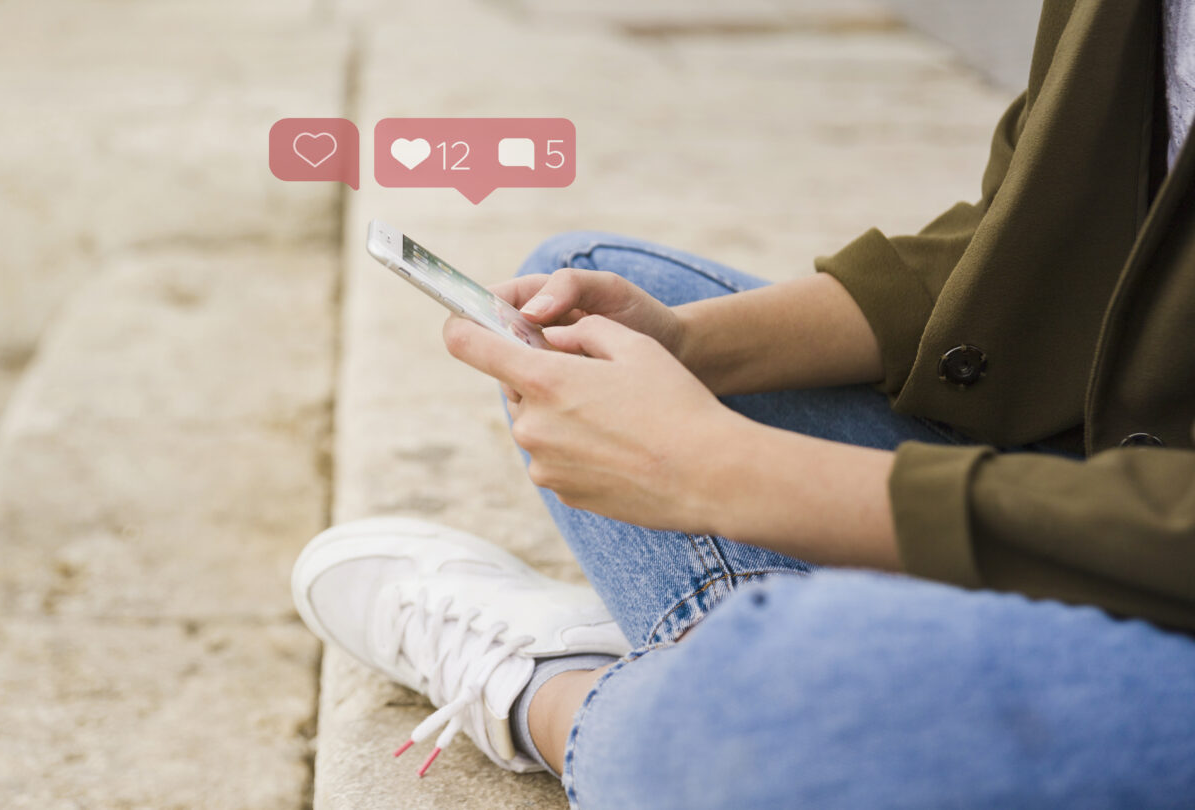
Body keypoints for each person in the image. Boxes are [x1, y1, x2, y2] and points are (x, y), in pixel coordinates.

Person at [291, 1, 1195, 807]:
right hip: (1110, 477)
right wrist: (689, 346)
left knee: (767, 705)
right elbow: (1043, 241)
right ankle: (732, 679)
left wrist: (724, 471)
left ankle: (563, 697)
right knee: (586, 287)